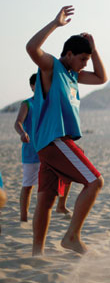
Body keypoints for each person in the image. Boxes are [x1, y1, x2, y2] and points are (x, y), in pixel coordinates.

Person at [26, 6, 106, 255]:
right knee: (94, 181)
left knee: (46, 201)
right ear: (68, 54)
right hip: (54, 140)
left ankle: (37, 254)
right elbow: (31, 48)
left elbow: (101, 78)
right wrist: (54, 24)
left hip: (48, 145)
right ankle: (72, 237)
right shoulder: (52, 67)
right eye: (82, 59)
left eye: (86, 60)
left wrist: (93, 50)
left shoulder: (74, 75)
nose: (84, 65)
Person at [14, 74, 71, 222]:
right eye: (38, 85)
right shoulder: (27, 104)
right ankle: (23, 219)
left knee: (66, 174)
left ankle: (61, 205)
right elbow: (18, 122)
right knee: (28, 186)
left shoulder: (50, 103)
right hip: (31, 151)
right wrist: (22, 133)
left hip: (50, 149)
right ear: (32, 87)